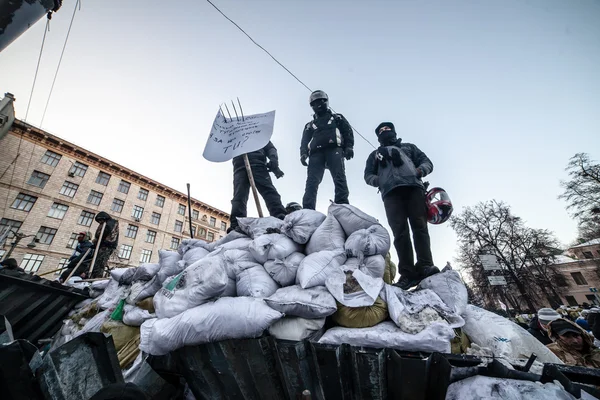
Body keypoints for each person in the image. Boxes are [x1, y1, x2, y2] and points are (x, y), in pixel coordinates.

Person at [364, 121, 437, 290]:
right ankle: (407, 274)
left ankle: (425, 265)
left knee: (420, 228)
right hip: (390, 194)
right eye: (381, 130)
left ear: (393, 131)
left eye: (387, 129)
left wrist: (419, 171)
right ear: (378, 137)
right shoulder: (375, 155)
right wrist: (380, 182)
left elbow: (427, 162)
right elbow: (368, 175)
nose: (384, 131)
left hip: (414, 188)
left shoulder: (409, 148)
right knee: (400, 233)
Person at [300, 90, 354, 210]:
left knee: (339, 176)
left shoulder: (337, 118)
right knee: (311, 182)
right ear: (312, 106)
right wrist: (303, 153)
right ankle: (308, 209)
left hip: (334, 149)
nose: (318, 104)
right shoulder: (310, 125)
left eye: (321, 101)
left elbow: (347, 131)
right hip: (316, 153)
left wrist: (349, 146)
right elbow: (304, 140)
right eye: (315, 103)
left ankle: (342, 204)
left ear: (326, 102)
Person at [228, 142, 287, 232]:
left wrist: (273, 158)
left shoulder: (257, 131)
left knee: (269, 192)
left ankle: (280, 216)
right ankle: (236, 225)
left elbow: (270, 147)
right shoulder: (235, 133)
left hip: (258, 164)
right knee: (239, 197)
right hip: (240, 167)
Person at [91, 211, 119, 278]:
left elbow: (107, 232)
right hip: (102, 245)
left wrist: (99, 241)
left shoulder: (110, 223)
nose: (100, 222)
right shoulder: (105, 223)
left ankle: (96, 277)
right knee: (96, 262)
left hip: (107, 246)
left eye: (100, 220)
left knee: (100, 262)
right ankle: (92, 275)